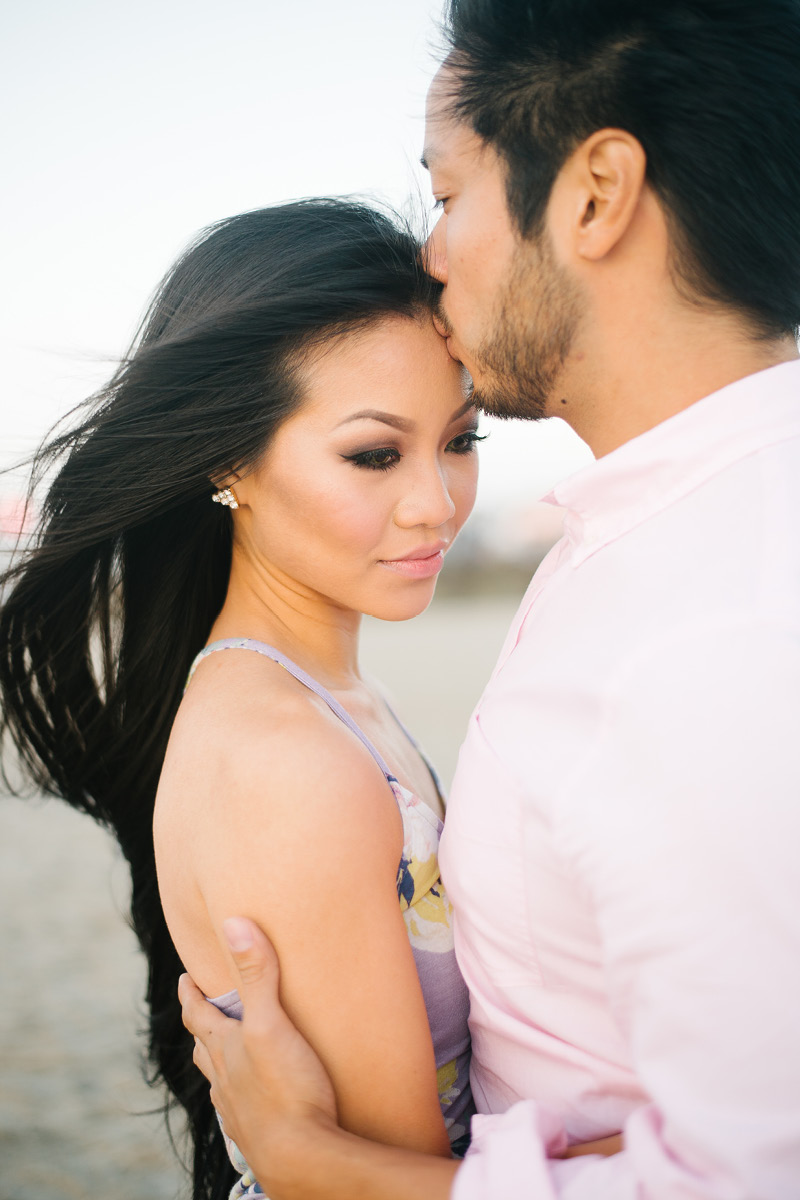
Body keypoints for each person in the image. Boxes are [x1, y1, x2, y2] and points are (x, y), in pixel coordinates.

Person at [180, 0, 800, 1197]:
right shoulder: (661, 537)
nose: (430, 250)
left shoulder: (711, 625)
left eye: (449, 192)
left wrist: (319, 1165)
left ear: (593, 193)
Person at [0, 198, 484, 1200]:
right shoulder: (285, 758)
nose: (435, 502)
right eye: (373, 453)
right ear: (231, 459)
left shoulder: (322, 697)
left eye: (460, 439)